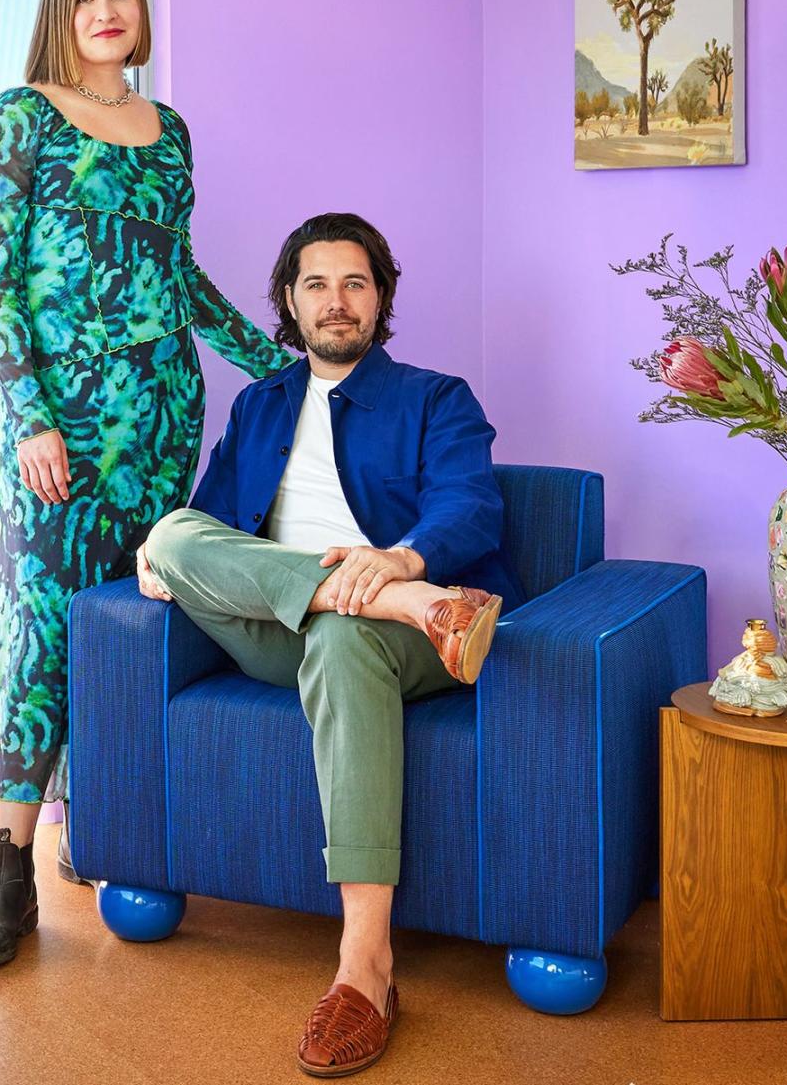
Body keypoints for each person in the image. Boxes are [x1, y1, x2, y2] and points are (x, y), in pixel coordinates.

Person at [0, 0, 291, 967]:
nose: (107, 9)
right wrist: (32, 419)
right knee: (42, 631)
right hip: (64, 430)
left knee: (126, 623)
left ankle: (92, 828)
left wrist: (270, 361)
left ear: (141, 9)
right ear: (62, 10)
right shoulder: (18, 120)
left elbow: (173, 276)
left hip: (158, 423)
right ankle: (7, 869)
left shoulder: (168, 130)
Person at [137, 213, 521, 1078]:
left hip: (403, 646)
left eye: (355, 282)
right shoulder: (261, 402)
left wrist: (396, 559)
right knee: (169, 532)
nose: (336, 301)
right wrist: (167, 552)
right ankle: (410, 604)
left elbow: (472, 506)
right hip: (337, 620)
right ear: (288, 298)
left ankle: (365, 967)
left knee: (347, 633)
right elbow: (211, 524)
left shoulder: (435, 396)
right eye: (316, 283)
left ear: (379, 297)